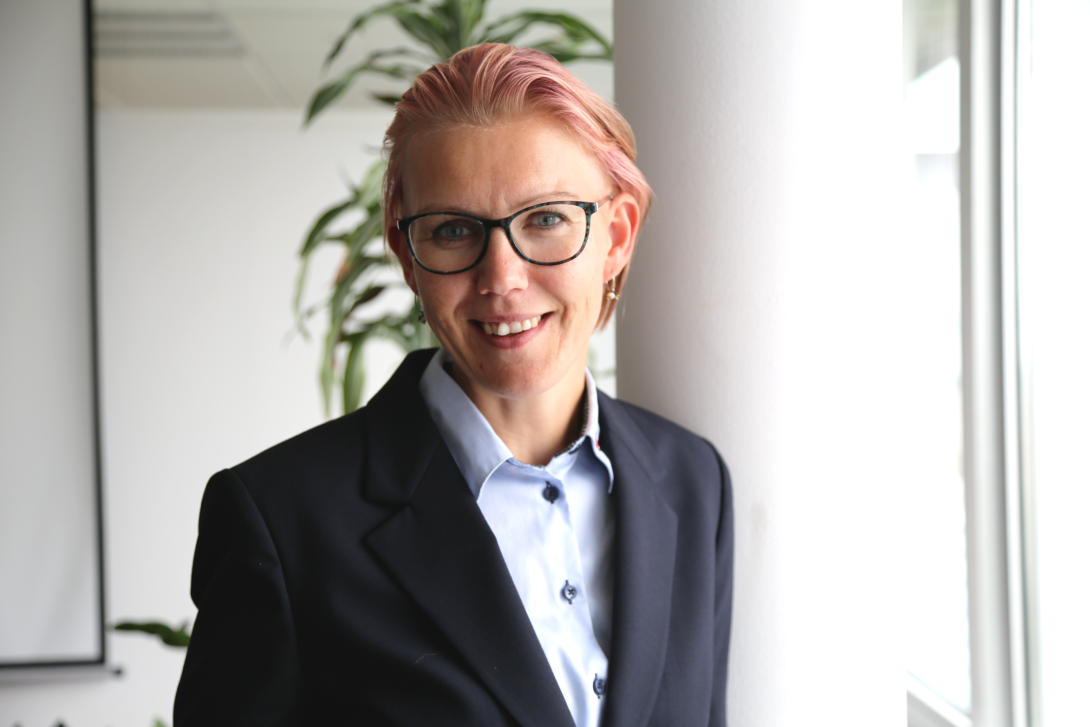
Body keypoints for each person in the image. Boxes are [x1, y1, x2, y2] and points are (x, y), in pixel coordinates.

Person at [174, 43, 733, 727]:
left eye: (547, 218)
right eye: (453, 230)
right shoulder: (282, 522)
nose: (502, 279)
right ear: (408, 257)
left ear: (615, 238)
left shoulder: (693, 482)